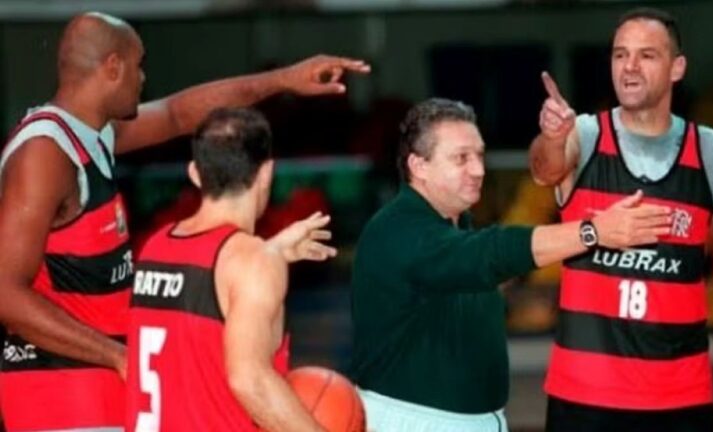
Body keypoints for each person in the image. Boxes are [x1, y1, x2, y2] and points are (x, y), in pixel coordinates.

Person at [0, 11, 368, 432]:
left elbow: (179, 113)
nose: (143, 78)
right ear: (113, 67)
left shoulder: (92, 134)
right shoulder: (43, 154)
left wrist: (283, 80)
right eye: (138, 65)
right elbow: (5, 294)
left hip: (100, 385)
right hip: (57, 392)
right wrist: (116, 354)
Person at [349, 97, 673, 432]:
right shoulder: (398, 230)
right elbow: (490, 253)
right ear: (419, 166)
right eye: (461, 158)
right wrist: (593, 232)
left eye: (479, 155)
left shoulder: (455, 226)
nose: (479, 170)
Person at [529, 7, 713, 432]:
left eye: (646, 55)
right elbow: (544, 171)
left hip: (680, 396)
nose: (630, 67)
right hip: (584, 396)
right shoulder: (583, 135)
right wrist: (551, 137)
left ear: (677, 68)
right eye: (620, 55)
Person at [126, 107, 332, 432]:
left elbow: (203, 292)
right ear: (266, 173)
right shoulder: (252, 262)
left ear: (195, 173)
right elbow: (250, 381)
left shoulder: (156, 246)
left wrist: (272, 251)